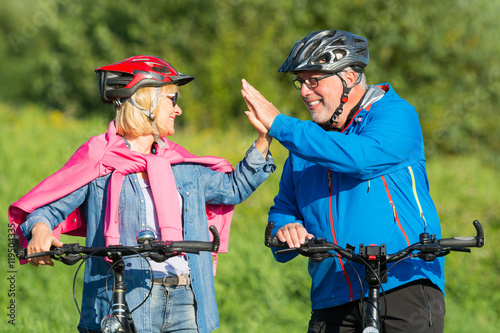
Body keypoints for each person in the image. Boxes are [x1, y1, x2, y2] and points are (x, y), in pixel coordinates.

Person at [9, 55, 275, 333]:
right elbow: (47, 209)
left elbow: (233, 188)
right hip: (124, 296)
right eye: (173, 99)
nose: (178, 109)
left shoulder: (180, 165)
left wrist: (263, 139)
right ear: (146, 102)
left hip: (187, 299)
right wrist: (39, 230)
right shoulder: (100, 161)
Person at [241, 30, 445, 333]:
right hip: (332, 295)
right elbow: (284, 207)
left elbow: (360, 159)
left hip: (403, 283)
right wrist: (286, 227)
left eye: (315, 80)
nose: (304, 92)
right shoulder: (306, 145)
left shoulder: (395, 115)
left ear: (349, 76)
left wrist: (280, 124)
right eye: (301, 82)